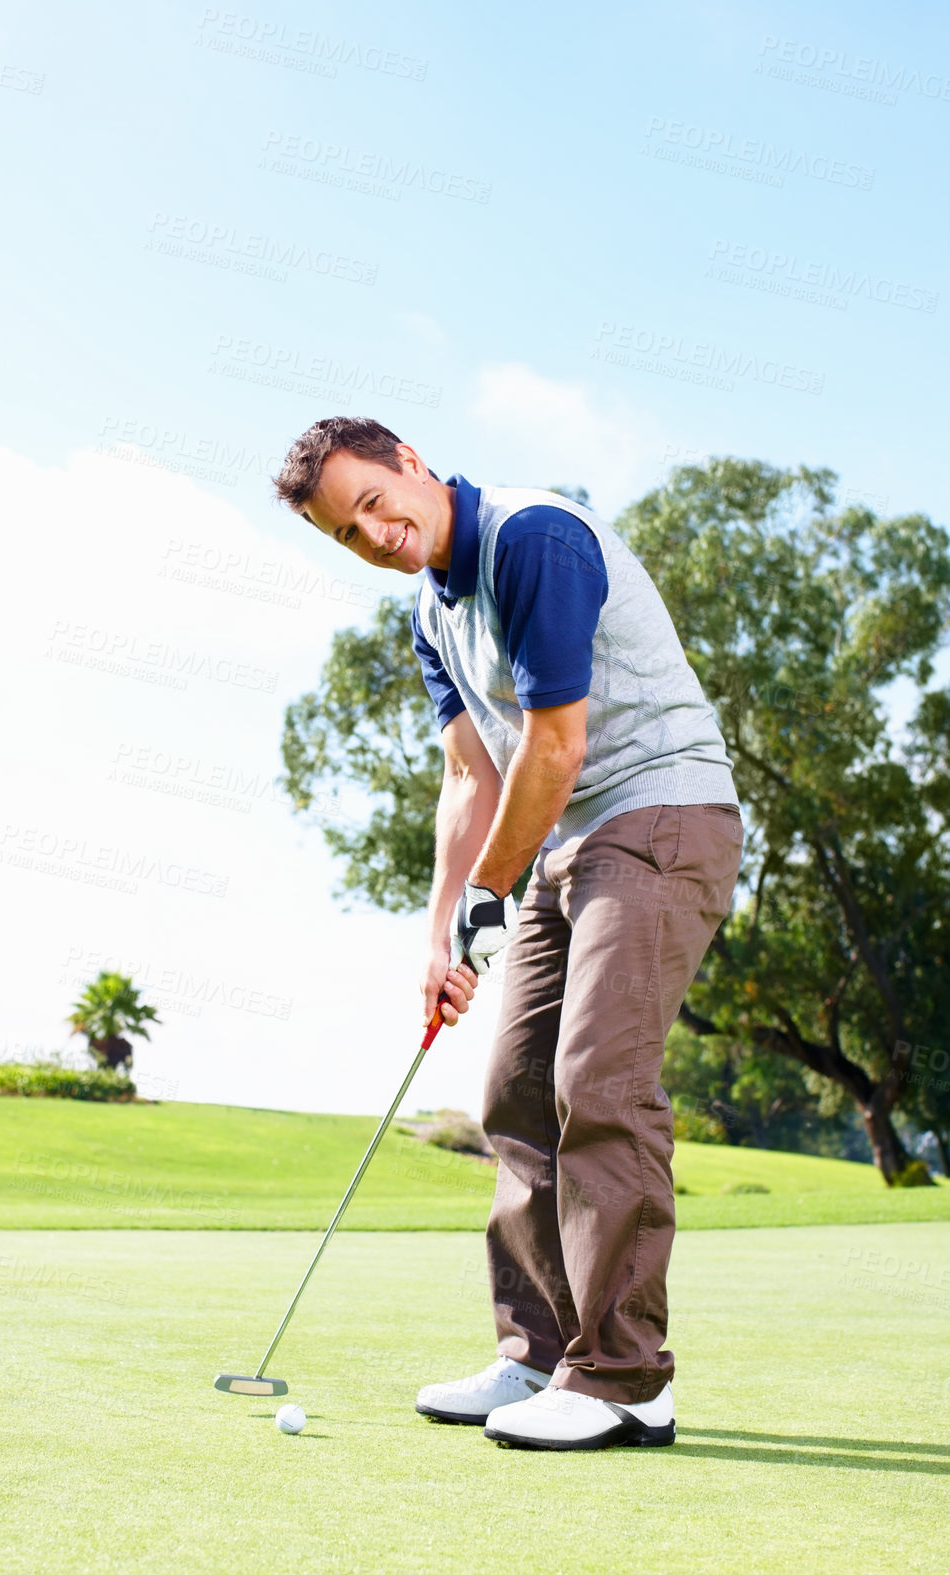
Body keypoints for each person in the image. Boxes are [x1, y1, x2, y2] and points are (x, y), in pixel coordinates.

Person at [274, 417, 743, 1452]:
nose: (373, 533)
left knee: (599, 1081)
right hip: (564, 844)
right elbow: (466, 775)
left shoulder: (532, 539)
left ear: (410, 464)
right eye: (345, 534)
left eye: (372, 502)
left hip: (661, 814)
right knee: (513, 1092)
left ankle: (624, 1377)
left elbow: (555, 741)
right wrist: (442, 928)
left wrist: (492, 886)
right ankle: (536, 1354)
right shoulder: (431, 614)